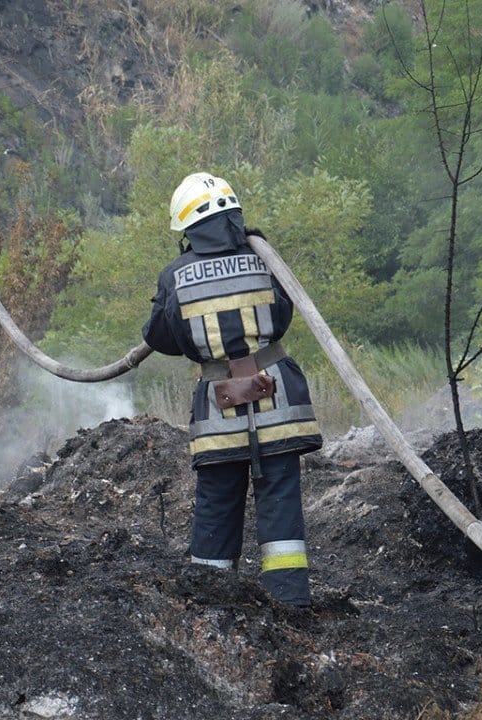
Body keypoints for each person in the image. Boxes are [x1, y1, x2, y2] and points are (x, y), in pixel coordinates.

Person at [142, 172, 323, 607]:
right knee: (280, 503)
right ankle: (290, 604)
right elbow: (282, 316)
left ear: (186, 227)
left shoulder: (175, 275)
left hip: (218, 406)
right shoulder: (264, 257)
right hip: (278, 400)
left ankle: (212, 603)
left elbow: (161, 337)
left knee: (217, 502)